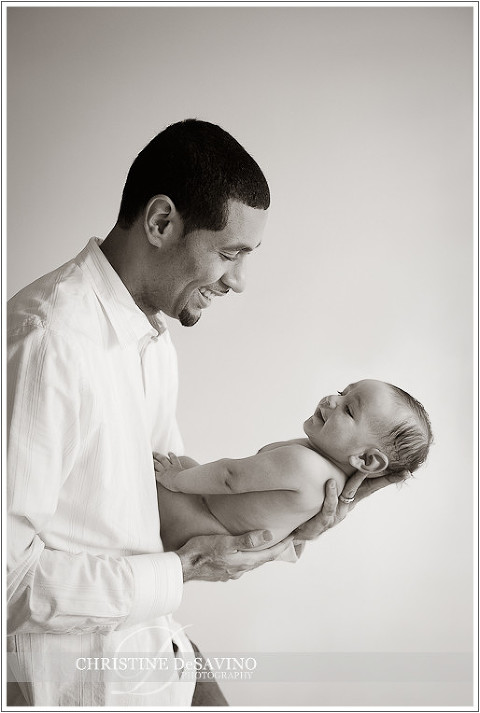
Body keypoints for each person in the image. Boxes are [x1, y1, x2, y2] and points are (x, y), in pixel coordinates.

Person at [7, 119, 406, 708]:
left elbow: (166, 518)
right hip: (85, 686)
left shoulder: (154, 342)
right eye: (229, 253)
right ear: (162, 222)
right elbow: (9, 583)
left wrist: (292, 529)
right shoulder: (47, 342)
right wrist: (184, 569)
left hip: (161, 657)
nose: (239, 282)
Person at [155, 379, 432, 558]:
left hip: (203, 528)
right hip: (220, 529)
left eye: (348, 410)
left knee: (160, 476)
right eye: (341, 392)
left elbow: (230, 477)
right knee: (183, 465)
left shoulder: (305, 465)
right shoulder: (325, 473)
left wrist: (176, 480)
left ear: (367, 460)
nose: (331, 400)